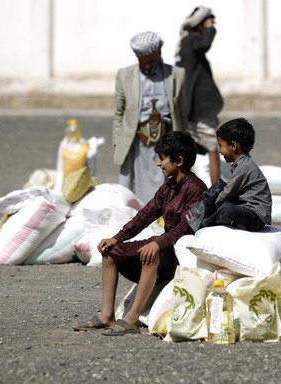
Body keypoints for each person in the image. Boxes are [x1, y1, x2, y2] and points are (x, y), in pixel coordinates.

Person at [73, 131, 207, 334]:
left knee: (150, 252)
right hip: (164, 245)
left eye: (162, 158)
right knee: (110, 252)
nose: (158, 164)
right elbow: (145, 215)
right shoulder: (168, 187)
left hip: (179, 252)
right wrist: (117, 237)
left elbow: (187, 227)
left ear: (178, 160)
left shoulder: (196, 188)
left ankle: (132, 318)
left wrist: (158, 243)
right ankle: (107, 315)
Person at [112, 31, 188, 203]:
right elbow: (119, 112)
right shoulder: (125, 75)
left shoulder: (176, 75)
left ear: (159, 53)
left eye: (151, 61)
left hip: (167, 141)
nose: (147, 66)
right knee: (132, 187)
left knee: (167, 185)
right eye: (143, 62)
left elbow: (182, 111)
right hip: (136, 141)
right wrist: (118, 140)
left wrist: (184, 140)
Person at [188, 117, 272, 232]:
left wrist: (209, 204)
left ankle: (202, 225)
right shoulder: (240, 164)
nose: (219, 150)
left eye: (221, 145)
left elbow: (228, 191)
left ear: (233, 146)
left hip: (256, 216)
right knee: (218, 190)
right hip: (245, 210)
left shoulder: (244, 167)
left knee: (224, 208)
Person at [176, 6, 224, 185]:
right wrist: (210, 27)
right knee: (212, 148)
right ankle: (215, 190)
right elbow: (204, 45)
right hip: (196, 106)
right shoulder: (191, 41)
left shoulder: (187, 41)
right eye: (207, 22)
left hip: (194, 106)